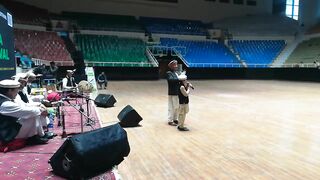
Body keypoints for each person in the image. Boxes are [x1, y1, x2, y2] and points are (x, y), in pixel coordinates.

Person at [0, 79, 50, 145]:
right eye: (16, 90)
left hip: (8, 127)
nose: (17, 92)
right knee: (32, 114)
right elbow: (28, 111)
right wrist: (41, 110)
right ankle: (35, 138)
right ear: (9, 91)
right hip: (6, 133)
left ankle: (38, 135)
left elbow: (23, 105)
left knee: (33, 112)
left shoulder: (6, 99)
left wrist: (39, 108)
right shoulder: (5, 104)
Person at [166, 60, 184, 126]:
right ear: (171, 66)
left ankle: (175, 119)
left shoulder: (175, 73)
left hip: (176, 92)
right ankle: (170, 120)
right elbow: (171, 80)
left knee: (176, 106)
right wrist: (179, 79)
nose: (176, 66)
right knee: (172, 106)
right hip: (172, 92)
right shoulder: (169, 73)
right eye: (174, 65)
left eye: (176, 65)